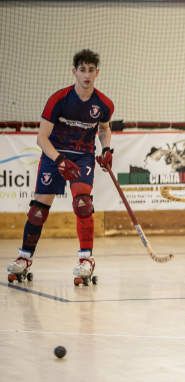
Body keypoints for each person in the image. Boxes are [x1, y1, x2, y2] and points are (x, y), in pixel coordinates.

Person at [7, 49, 114, 286]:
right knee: (37, 211)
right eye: (82, 70)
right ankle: (24, 258)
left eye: (91, 70)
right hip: (54, 155)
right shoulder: (58, 100)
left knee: (83, 204)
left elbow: (104, 129)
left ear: (97, 73)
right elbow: (41, 138)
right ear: (74, 72)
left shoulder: (104, 104)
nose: (86, 75)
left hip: (83, 156)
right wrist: (59, 160)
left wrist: (106, 149)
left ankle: (86, 260)